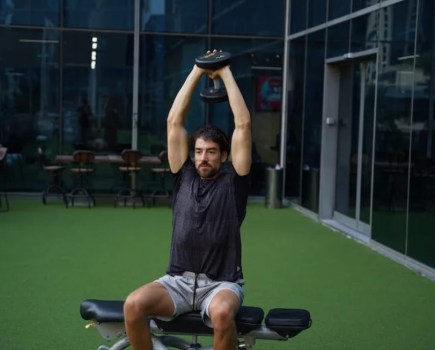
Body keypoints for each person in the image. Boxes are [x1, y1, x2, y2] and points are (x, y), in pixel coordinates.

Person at [123, 51, 252, 350]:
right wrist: (197, 70)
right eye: (198, 151)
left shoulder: (235, 183)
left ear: (224, 156)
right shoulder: (184, 176)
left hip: (222, 284)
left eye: (210, 152)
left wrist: (225, 72)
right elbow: (173, 121)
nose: (203, 157)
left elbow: (243, 125)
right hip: (177, 282)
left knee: (221, 313)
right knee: (132, 305)